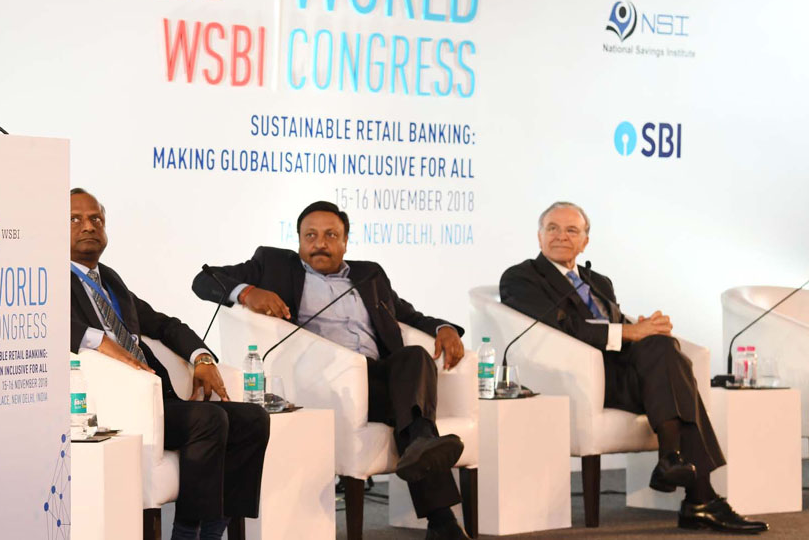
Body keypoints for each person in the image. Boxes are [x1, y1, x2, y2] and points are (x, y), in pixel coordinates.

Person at [194, 200, 471, 540]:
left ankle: (423, 447)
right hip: (328, 383)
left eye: (330, 235)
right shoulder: (273, 264)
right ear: (298, 240)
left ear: (345, 242)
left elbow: (408, 316)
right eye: (310, 235)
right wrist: (247, 292)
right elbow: (203, 280)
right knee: (415, 425)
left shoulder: (370, 274)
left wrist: (444, 327)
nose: (320, 243)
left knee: (415, 355)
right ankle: (441, 518)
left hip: (382, 380)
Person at [500, 201, 767, 534]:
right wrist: (630, 332)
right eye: (552, 228)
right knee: (673, 370)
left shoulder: (598, 281)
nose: (561, 236)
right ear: (539, 236)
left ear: (585, 241)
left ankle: (675, 466)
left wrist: (644, 328)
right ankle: (697, 495)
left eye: (571, 230)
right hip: (579, 379)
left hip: (624, 373)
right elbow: (561, 327)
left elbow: (615, 326)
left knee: (663, 349)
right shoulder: (521, 277)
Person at [69, 188, 269, 540]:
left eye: (96, 219)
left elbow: (164, 325)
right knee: (209, 419)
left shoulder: (109, 280)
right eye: (75, 219)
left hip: (156, 396)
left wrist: (201, 357)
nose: (88, 226)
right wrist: (99, 340)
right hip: (114, 404)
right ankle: (187, 532)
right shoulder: (47, 278)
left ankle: (215, 527)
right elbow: (47, 323)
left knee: (253, 418)